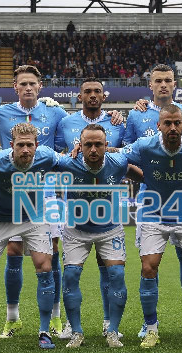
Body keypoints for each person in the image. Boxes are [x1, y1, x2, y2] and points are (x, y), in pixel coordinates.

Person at [0, 65, 69, 339]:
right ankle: (12, 318)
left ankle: (55, 317)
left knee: (51, 254)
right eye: (23, 84)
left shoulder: (55, 112)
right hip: (10, 192)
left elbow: (74, 134)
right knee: (13, 252)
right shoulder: (1, 114)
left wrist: (116, 114)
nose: (28, 88)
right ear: (15, 88)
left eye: (33, 83)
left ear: (40, 86)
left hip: (45, 192)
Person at [120, 104, 182, 348]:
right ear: (158, 126)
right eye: (167, 123)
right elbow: (118, 158)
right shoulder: (144, 145)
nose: (172, 127)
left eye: (177, 123)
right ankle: (151, 329)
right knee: (148, 268)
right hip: (154, 215)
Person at [0, 123, 60, 351]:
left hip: (34, 215)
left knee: (45, 267)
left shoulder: (47, 157)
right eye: (20, 145)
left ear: (37, 145)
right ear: (12, 145)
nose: (25, 150)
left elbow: (68, 163)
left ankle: (45, 332)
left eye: (30, 145)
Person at [126, 64, 182, 337]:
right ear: (150, 85)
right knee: (150, 263)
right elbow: (126, 154)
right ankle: (149, 323)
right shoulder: (137, 114)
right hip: (150, 200)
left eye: (168, 80)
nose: (163, 85)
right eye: (158, 80)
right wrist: (148, 177)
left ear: (175, 84)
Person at [55, 77, 128, 339]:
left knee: (112, 271)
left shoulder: (117, 123)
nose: (93, 95)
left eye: (98, 91)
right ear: (80, 96)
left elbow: (130, 157)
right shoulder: (66, 123)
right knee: (71, 274)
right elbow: (53, 156)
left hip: (109, 219)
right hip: (77, 219)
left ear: (105, 96)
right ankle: (73, 326)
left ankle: (110, 324)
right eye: (88, 91)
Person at [55, 124, 140, 348]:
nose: (93, 149)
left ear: (106, 145)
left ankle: (112, 331)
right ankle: (76, 332)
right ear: (80, 146)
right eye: (88, 145)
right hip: (76, 230)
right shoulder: (67, 163)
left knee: (117, 274)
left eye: (98, 145)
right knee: (71, 276)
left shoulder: (118, 162)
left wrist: (151, 183)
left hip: (109, 228)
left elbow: (133, 170)